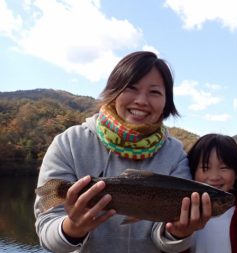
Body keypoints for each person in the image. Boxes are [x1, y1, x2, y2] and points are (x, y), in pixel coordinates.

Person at [34, 51, 211, 252]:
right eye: (131, 88)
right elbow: (46, 229)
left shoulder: (175, 153)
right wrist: (72, 228)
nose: (141, 101)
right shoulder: (70, 142)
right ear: (114, 91)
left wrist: (179, 232)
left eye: (154, 92)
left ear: (166, 103)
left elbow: (166, 240)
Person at [153, 133, 237, 253]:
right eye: (205, 167)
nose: (214, 177)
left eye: (224, 167)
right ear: (192, 170)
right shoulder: (179, 213)